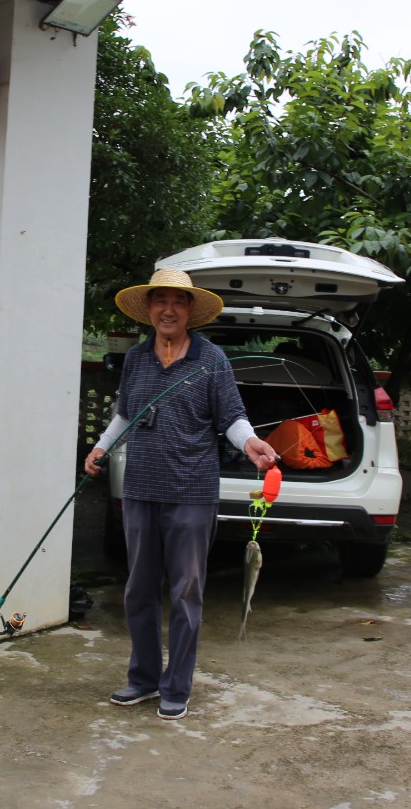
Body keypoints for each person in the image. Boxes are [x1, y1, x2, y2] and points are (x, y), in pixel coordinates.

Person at [82, 268, 278, 720]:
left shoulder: (212, 359)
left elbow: (231, 417)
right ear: (149, 308)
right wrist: (101, 446)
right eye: (160, 301)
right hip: (140, 488)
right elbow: (125, 414)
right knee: (139, 588)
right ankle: (144, 678)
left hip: (192, 490)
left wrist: (250, 442)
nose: (168, 310)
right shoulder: (137, 358)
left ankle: (177, 685)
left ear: (190, 310)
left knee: (186, 591)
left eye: (178, 301)